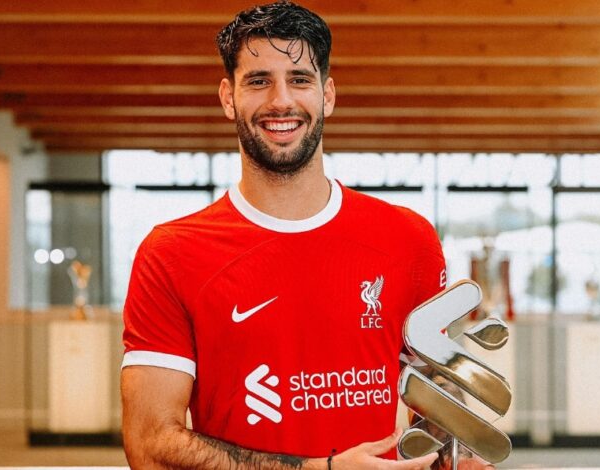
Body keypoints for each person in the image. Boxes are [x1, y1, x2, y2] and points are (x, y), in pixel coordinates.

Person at [121, 2, 478, 468]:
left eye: (300, 79)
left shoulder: (408, 239)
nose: (281, 101)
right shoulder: (171, 253)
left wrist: (458, 452)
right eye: (259, 81)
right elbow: (149, 443)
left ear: (327, 95)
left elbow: (434, 388)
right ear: (228, 97)